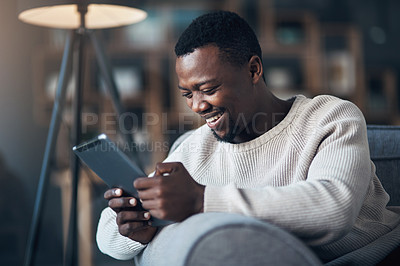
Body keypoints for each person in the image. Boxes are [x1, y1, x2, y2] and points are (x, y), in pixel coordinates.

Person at [96, 10, 400, 265]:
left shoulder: (330, 117)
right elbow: (105, 234)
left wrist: (200, 200)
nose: (198, 106)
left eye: (209, 89)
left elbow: (333, 209)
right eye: (188, 94)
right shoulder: (192, 149)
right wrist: (135, 227)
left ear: (253, 70)